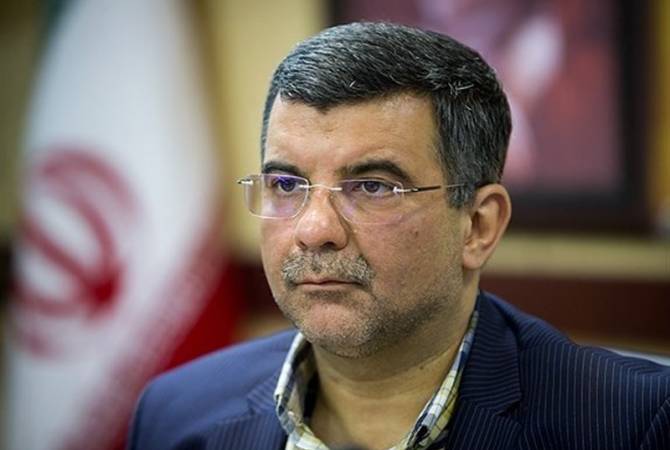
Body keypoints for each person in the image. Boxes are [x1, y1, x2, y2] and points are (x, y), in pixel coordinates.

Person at [128, 22, 670, 450]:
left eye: (372, 186)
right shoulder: (176, 414)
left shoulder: (628, 423)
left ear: (478, 226)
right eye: (287, 185)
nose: (314, 230)